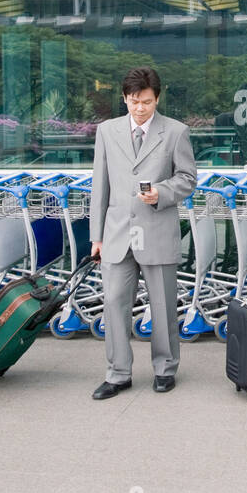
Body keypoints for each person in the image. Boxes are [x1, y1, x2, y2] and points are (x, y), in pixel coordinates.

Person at [89, 67, 196, 399]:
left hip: (157, 229)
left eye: (147, 102)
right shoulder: (107, 131)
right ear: (125, 99)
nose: (140, 108)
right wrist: (97, 237)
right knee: (114, 302)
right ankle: (118, 373)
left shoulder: (176, 132)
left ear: (157, 98)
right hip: (118, 233)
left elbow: (188, 178)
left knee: (163, 306)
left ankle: (165, 368)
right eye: (134, 102)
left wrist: (161, 193)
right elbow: (99, 185)